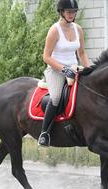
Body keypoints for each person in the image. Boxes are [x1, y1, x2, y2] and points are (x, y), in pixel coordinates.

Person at [38, 0, 90, 147]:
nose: (72, 15)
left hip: (74, 68)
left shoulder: (78, 29)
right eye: (69, 12)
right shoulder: (54, 30)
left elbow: (82, 53)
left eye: (74, 12)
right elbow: (46, 57)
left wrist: (90, 68)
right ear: (61, 12)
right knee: (56, 97)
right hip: (56, 70)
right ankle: (45, 133)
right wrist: (64, 69)